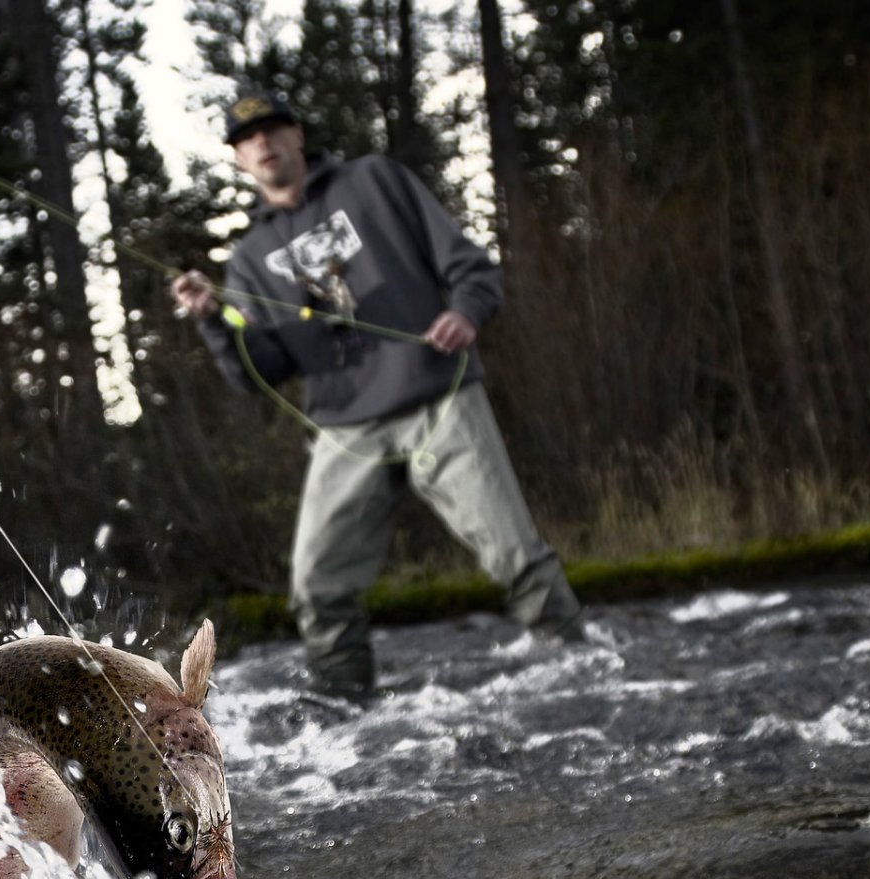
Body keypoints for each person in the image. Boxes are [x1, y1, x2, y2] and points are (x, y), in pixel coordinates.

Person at [171, 89, 583, 699]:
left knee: (518, 557)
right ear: (237, 159)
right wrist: (212, 319)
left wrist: (466, 313)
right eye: (246, 138)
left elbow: (472, 267)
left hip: (437, 397)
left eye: (272, 128)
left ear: (297, 135)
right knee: (318, 591)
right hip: (346, 429)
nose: (262, 142)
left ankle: (583, 677)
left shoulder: (376, 182)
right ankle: (350, 718)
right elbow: (261, 368)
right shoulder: (250, 259)